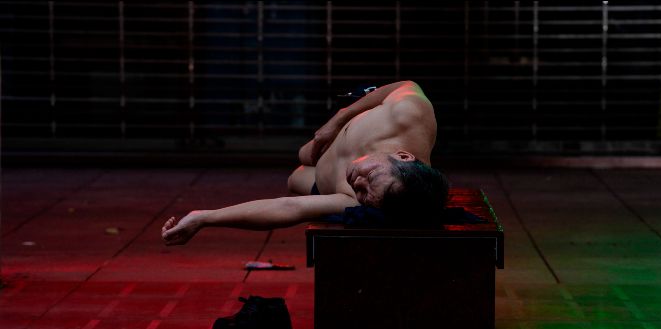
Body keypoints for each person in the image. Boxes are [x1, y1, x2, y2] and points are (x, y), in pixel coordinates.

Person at [161, 80, 448, 246]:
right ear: (403, 156)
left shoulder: (361, 200)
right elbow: (405, 85)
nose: (356, 180)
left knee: (295, 177)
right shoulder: (411, 117)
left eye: (362, 192)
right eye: (370, 175)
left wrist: (204, 217)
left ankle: (318, 166)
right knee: (304, 154)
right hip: (336, 133)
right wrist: (337, 121)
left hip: (317, 170)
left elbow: (288, 206)